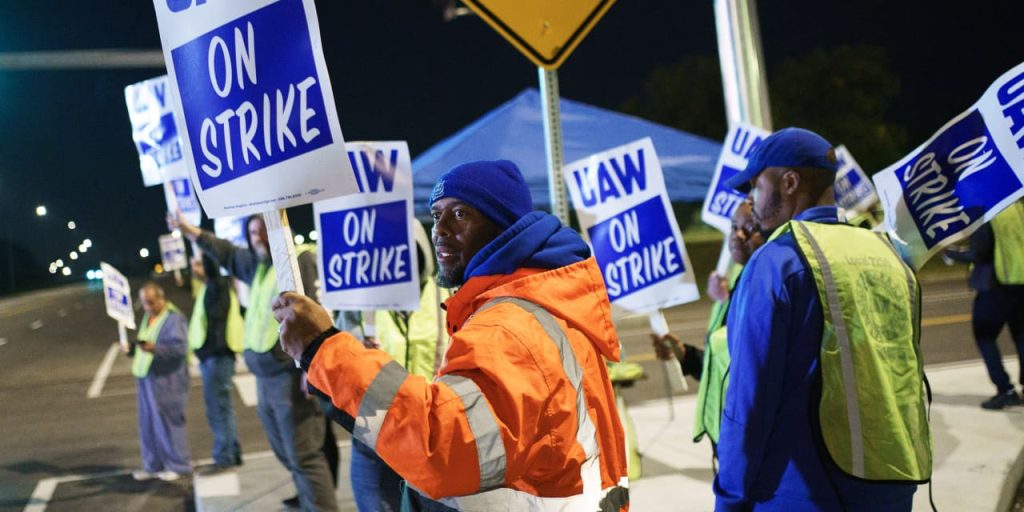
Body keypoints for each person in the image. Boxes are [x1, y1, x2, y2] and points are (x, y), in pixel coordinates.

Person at [273, 160, 630, 511]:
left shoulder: (511, 326)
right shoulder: (524, 302)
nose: (439, 228)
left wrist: (325, 349)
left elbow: (444, 447)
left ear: (505, 226)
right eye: (437, 213)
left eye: (460, 214)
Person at [713, 128, 930, 511]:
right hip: (892, 480)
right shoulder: (889, 254)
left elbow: (748, 402)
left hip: (803, 490)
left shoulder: (778, 261)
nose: (753, 199)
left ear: (790, 182)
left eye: (757, 186)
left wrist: (730, 499)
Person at [169, 212, 338, 512]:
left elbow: (318, 313)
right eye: (252, 232)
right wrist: (189, 230)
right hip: (265, 377)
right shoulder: (257, 266)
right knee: (287, 452)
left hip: (289, 377)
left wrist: (311, 366)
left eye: (262, 230)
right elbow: (226, 252)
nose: (257, 237)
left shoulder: (299, 261)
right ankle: (307, 498)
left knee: (304, 455)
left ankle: (320, 504)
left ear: (279, 231)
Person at [335, 224, 445, 512]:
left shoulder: (445, 296)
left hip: (427, 438)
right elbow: (337, 355)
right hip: (373, 435)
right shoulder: (360, 302)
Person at [656, 199, 765, 452]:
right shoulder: (735, 281)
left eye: (750, 227)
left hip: (752, 443)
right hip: (727, 440)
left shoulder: (768, 287)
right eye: (733, 226)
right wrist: (684, 354)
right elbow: (721, 366)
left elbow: (752, 364)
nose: (738, 234)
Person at [944, 199, 1024, 409]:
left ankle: (1005, 390)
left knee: (985, 336)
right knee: (1021, 336)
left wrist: (949, 251)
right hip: (1021, 282)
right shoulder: (1017, 206)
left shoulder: (987, 213)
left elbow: (979, 253)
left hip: (995, 285)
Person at [129, 282, 192, 482]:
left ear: (161, 299)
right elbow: (146, 342)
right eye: (144, 303)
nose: (148, 307)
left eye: (151, 303)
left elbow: (179, 349)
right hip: (147, 376)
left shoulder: (173, 319)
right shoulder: (150, 317)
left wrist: (155, 349)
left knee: (169, 421)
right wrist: (132, 350)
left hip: (168, 379)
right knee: (148, 423)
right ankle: (153, 464)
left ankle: (178, 464)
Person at [188, 253, 244, 474]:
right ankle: (232, 451)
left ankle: (225, 456)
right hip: (214, 358)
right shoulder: (209, 287)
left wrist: (203, 245)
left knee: (218, 410)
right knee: (223, 407)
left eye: (199, 264)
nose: (194, 268)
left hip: (217, 358)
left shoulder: (217, 285)